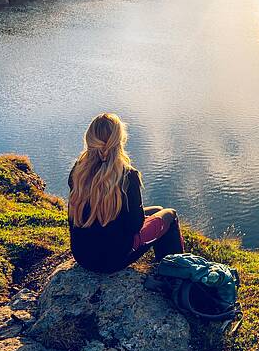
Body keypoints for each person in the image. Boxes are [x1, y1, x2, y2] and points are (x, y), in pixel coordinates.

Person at [67, 112, 184, 273]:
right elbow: (135, 226)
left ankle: (166, 268)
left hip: (82, 256)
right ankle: (175, 273)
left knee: (157, 210)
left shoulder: (78, 171)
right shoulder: (127, 176)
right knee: (170, 215)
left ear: (90, 139)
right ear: (119, 140)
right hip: (114, 259)